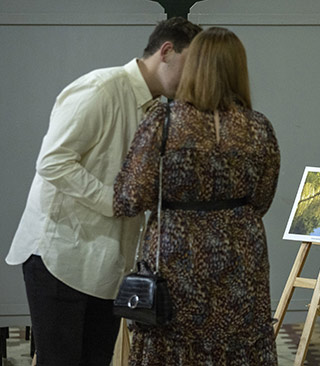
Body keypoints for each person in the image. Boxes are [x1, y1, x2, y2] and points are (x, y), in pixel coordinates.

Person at [5, 17, 202, 366]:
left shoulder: (159, 109)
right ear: (167, 52)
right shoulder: (101, 89)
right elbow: (52, 162)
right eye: (193, 66)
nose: (196, 79)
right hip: (61, 256)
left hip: (107, 265)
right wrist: (113, 200)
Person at [114, 27, 280, 365]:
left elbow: (131, 196)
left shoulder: (164, 120)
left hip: (176, 257)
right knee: (239, 341)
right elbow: (262, 198)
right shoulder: (259, 127)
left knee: (172, 344)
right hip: (242, 256)